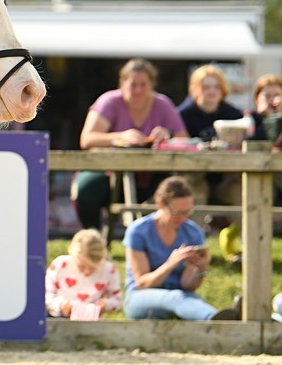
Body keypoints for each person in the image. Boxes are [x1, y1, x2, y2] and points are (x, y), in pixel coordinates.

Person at [73, 58, 188, 231]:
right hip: (109, 172)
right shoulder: (109, 101)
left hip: (151, 175)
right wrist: (120, 137)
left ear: (152, 84)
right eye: (133, 84)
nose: (138, 90)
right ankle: (92, 237)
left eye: (143, 84)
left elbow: (184, 140)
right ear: (122, 82)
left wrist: (167, 135)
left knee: (175, 187)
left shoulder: (163, 104)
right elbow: (87, 139)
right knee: (86, 188)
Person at [123, 176, 239, 321]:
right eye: (177, 212)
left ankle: (231, 321)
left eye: (187, 212)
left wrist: (201, 268)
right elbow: (142, 283)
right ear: (160, 204)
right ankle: (217, 321)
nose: (183, 218)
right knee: (177, 298)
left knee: (190, 299)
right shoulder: (139, 231)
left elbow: (187, 285)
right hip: (140, 297)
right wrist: (170, 264)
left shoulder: (193, 232)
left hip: (181, 295)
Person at [175, 65, 241, 206]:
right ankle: (196, 229)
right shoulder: (182, 114)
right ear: (196, 89)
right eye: (206, 87)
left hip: (224, 176)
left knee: (241, 190)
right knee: (196, 190)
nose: (212, 91)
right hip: (195, 175)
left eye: (216, 87)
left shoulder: (234, 115)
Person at [45, 228, 123, 320]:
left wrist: (106, 304)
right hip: (59, 318)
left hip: (92, 319)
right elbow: (45, 294)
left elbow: (118, 300)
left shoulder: (108, 270)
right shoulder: (60, 265)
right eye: (81, 266)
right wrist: (61, 304)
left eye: (93, 268)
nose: (87, 271)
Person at [248, 73, 282, 143]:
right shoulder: (249, 118)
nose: (272, 100)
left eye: (277, 95)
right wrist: (269, 118)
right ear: (257, 99)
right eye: (267, 96)